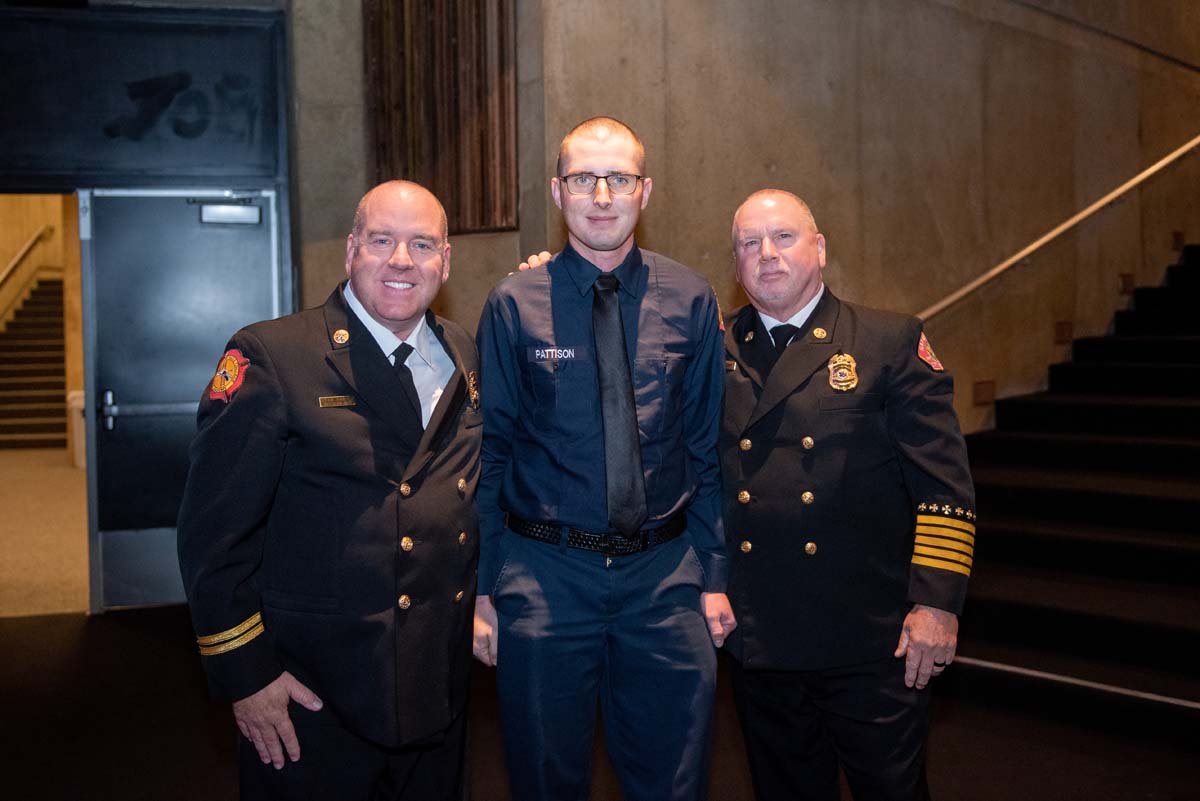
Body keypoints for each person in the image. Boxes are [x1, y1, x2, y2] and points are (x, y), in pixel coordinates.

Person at [177, 180, 481, 800]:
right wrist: (245, 675)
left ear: (445, 261)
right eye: (382, 240)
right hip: (313, 696)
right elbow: (213, 536)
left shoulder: (462, 352)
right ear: (351, 250)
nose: (402, 260)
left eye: (423, 244)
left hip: (434, 684)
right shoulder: (274, 355)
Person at [472, 116, 735, 801]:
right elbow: (491, 453)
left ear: (644, 191)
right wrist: (484, 588)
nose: (601, 195)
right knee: (544, 780)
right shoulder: (512, 304)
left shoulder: (693, 298)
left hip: (664, 580)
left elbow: (704, 448)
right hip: (545, 579)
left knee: (674, 782)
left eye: (618, 178)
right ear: (557, 191)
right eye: (583, 178)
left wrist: (713, 575)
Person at [722, 189, 975, 801]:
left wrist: (937, 603)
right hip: (761, 638)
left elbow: (943, 487)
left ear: (820, 248)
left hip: (871, 640)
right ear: (736, 263)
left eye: (783, 237)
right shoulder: (715, 346)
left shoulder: (887, 341)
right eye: (750, 243)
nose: (767, 254)